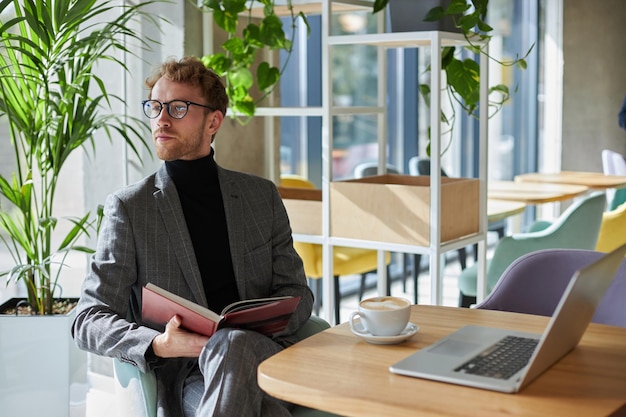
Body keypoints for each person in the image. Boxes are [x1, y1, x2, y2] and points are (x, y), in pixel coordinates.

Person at [72, 56, 314, 417]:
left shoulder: (260, 197)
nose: (162, 119)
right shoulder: (130, 208)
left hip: (266, 360)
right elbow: (87, 319)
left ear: (213, 120)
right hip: (191, 374)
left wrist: (253, 332)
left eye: (178, 107)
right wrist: (159, 343)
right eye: (155, 107)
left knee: (235, 344)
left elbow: (297, 293)